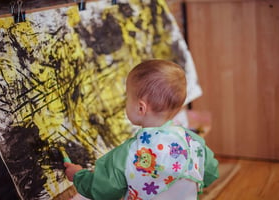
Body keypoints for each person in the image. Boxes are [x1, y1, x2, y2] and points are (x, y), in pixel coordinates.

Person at [64, 59, 219, 200]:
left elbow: (103, 189)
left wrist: (78, 175)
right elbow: (211, 171)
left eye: (127, 98)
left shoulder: (128, 153)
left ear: (140, 107)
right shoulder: (194, 142)